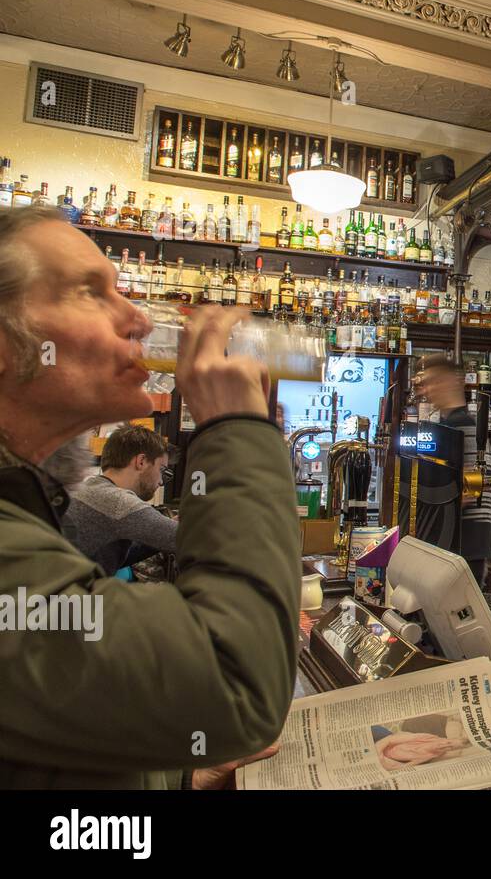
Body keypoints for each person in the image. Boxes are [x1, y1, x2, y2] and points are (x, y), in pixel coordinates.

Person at [0, 206, 301, 788]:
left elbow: (58, 749)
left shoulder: (30, 505)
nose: (138, 318)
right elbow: (236, 687)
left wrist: (175, 777)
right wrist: (235, 432)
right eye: (91, 292)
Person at [411, 352, 491, 584]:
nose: (425, 390)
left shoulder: (462, 427)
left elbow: (472, 489)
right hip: (455, 539)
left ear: (449, 381)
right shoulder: (449, 424)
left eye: (430, 382)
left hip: (465, 541)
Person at [65, 425, 179, 576]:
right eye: (162, 470)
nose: (160, 481)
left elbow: (112, 558)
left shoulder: (89, 488)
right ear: (142, 461)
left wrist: (159, 537)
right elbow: (185, 538)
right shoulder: (119, 501)